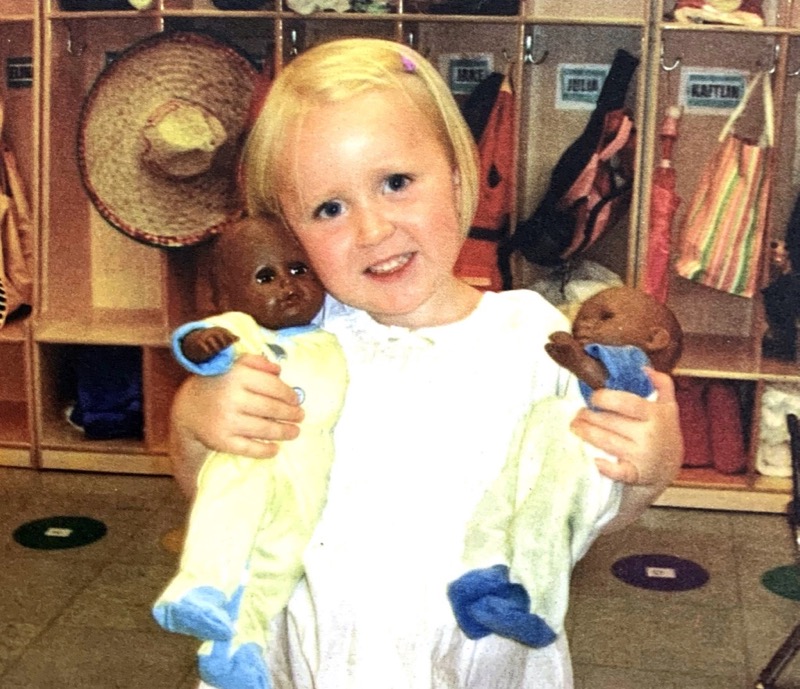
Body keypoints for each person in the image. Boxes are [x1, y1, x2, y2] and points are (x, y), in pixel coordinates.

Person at [169, 37, 683, 689]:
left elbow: (582, 512)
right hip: (316, 664)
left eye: (396, 183)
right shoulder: (286, 352)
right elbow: (214, 491)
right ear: (286, 232)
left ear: (461, 176)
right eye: (329, 207)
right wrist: (194, 420)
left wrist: (650, 466)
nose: (373, 229)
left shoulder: (535, 341)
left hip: (484, 665)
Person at [153, 216, 347, 689]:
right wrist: (205, 344)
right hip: (253, 461)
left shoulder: (331, 339)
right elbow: (199, 343)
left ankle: (237, 649)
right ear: (226, 299)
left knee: (278, 567)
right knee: (230, 515)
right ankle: (200, 587)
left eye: (299, 270)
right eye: (265, 277)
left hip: (306, 483)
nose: (288, 285)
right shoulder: (246, 330)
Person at [447, 286, 684, 650]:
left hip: (583, 465)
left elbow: (602, 378)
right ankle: (486, 581)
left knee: (543, 531)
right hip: (556, 456)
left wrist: (579, 360)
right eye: (583, 315)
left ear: (654, 338)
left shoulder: (635, 363)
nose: (586, 322)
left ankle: (537, 608)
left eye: (604, 316)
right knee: (505, 517)